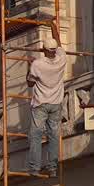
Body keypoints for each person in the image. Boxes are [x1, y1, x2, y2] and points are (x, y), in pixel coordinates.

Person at [26, 18, 67, 177]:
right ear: (54, 50)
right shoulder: (62, 59)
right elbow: (58, 41)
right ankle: (52, 168)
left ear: (44, 49)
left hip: (41, 104)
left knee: (36, 136)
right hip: (56, 103)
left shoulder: (38, 64)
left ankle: (35, 168)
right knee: (54, 136)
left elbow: (30, 83)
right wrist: (52, 25)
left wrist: (28, 67)